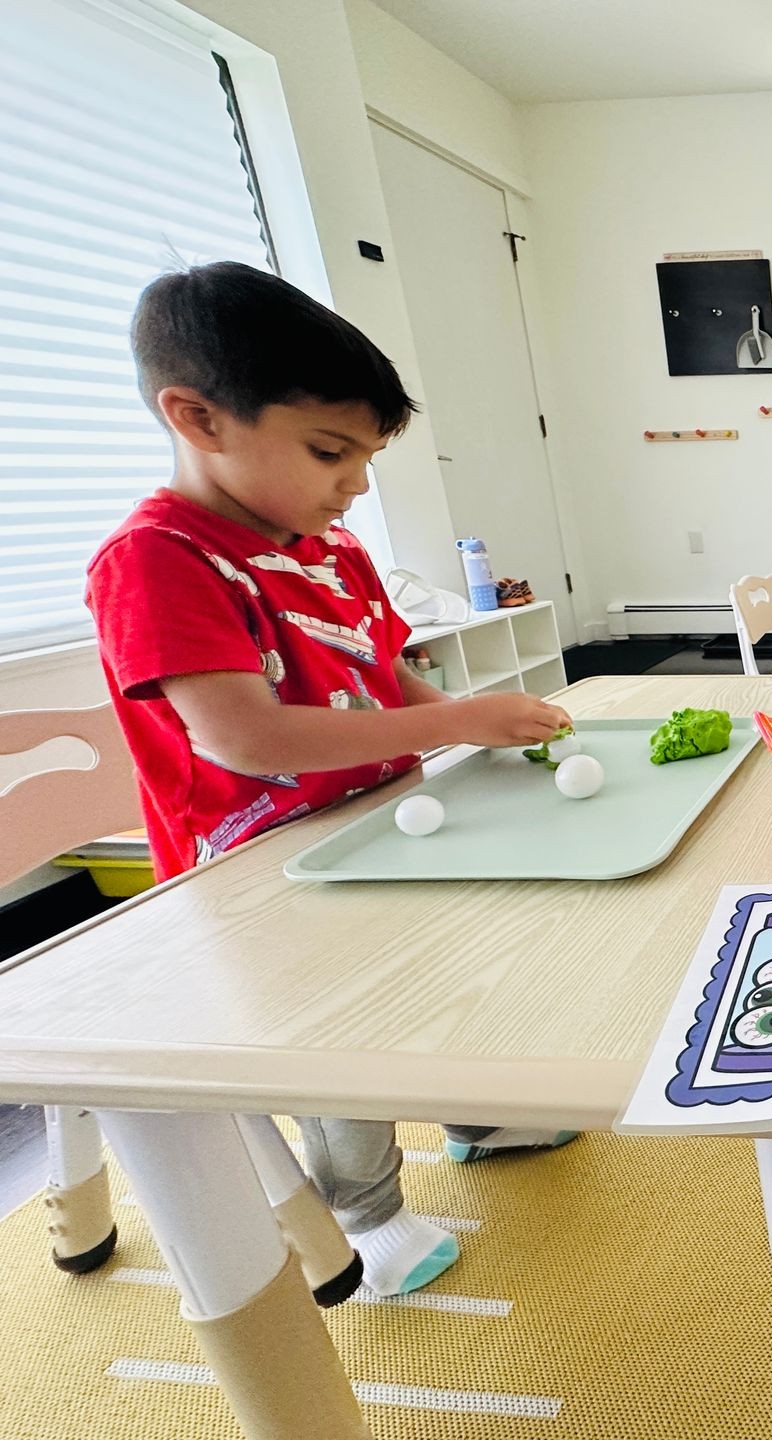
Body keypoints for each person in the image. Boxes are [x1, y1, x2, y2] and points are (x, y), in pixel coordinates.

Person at [87, 261, 578, 1295]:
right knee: (337, 1047)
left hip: (388, 819)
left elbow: (387, 666)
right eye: (328, 452)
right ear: (198, 417)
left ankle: (476, 1115)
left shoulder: (329, 546)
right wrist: (451, 717)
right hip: (260, 878)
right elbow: (245, 738)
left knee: (445, 981)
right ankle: (364, 1213)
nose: (355, 483)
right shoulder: (157, 559)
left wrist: (459, 725)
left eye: (363, 458)